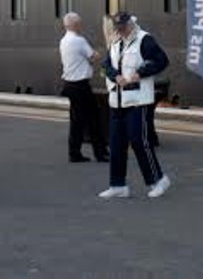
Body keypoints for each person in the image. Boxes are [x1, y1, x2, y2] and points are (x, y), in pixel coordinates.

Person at [98, 12, 171, 199]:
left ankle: (158, 180)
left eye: (123, 27)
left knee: (140, 141)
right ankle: (118, 185)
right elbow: (106, 65)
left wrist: (141, 72)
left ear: (130, 24)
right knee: (116, 143)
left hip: (138, 100)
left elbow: (161, 61)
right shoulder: (115, 42)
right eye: (118, 28)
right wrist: (115, 75)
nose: (120, 31)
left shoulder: (144, 40)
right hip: (117, 101)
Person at [59, 12, 108, 163]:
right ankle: (100, 153)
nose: (81, 25)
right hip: (80, 85)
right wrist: (96, 55)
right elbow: (93, 56)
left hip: (69, 84)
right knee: (94, 118)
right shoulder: (79, 40)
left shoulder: (64, 41)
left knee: (77, 120)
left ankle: (74, 153)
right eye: (79, 23)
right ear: (75, 25)